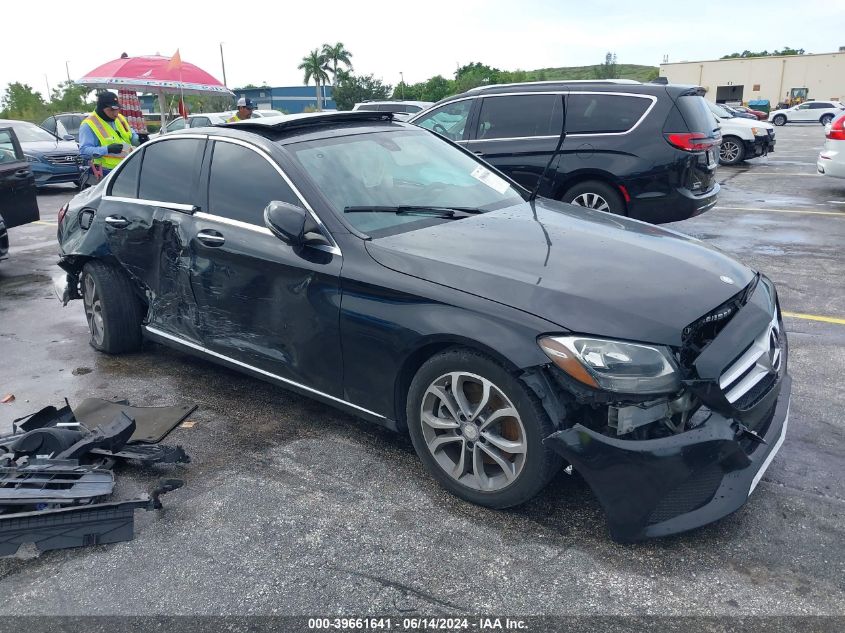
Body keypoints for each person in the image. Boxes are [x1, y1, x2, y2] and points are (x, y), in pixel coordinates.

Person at [78, 92, 139, 180]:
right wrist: (107, 149)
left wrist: (139, 140)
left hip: (126, 168)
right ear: (101, 108)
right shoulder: (89, 124)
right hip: (105, 174)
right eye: (111, 110)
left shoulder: (120, 118)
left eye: (117, 109)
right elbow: (84, 151)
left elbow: (131, 135)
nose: (115, 113)